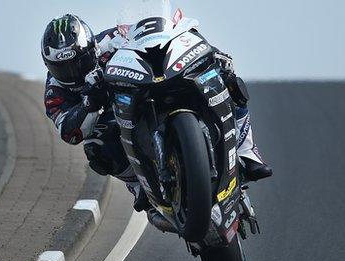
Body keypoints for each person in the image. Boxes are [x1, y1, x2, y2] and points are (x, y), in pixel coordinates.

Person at [41, 14, 272, 223]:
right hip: (117, 119)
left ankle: (247, 150)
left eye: (78, 63)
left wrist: (212, 52)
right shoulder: (55, 91)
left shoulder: (109, 39)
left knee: (226, 79)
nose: (74, 72)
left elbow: (166, 33)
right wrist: (89, 102)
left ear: (90, 48)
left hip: (146, 91)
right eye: (63, 68)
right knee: (97, 147)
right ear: (50, 66)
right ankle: (139, 187)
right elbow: (69, 133)